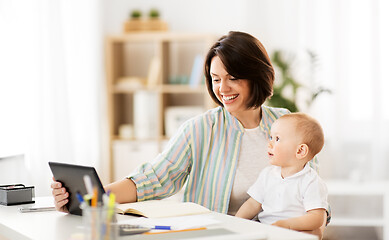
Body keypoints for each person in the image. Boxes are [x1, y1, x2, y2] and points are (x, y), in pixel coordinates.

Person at [51, 31, 327, 238]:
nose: (222, 88)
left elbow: (312, 197)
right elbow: (154, 178)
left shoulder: (287, 124)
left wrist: (309, 231)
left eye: (232, 77)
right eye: (215, 79)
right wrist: (92, 196)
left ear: (256, 75)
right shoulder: (200, 129)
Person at [235, 113, 328, 232]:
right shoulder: (267, 174)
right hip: (265, 229)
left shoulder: (311, 182)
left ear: (300, 151)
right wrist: (237, 222)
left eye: (277, 139)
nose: (270, 143)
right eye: (271, 137)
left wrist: (287, 225)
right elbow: (253, 204)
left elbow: (316, 218)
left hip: (292, 233)